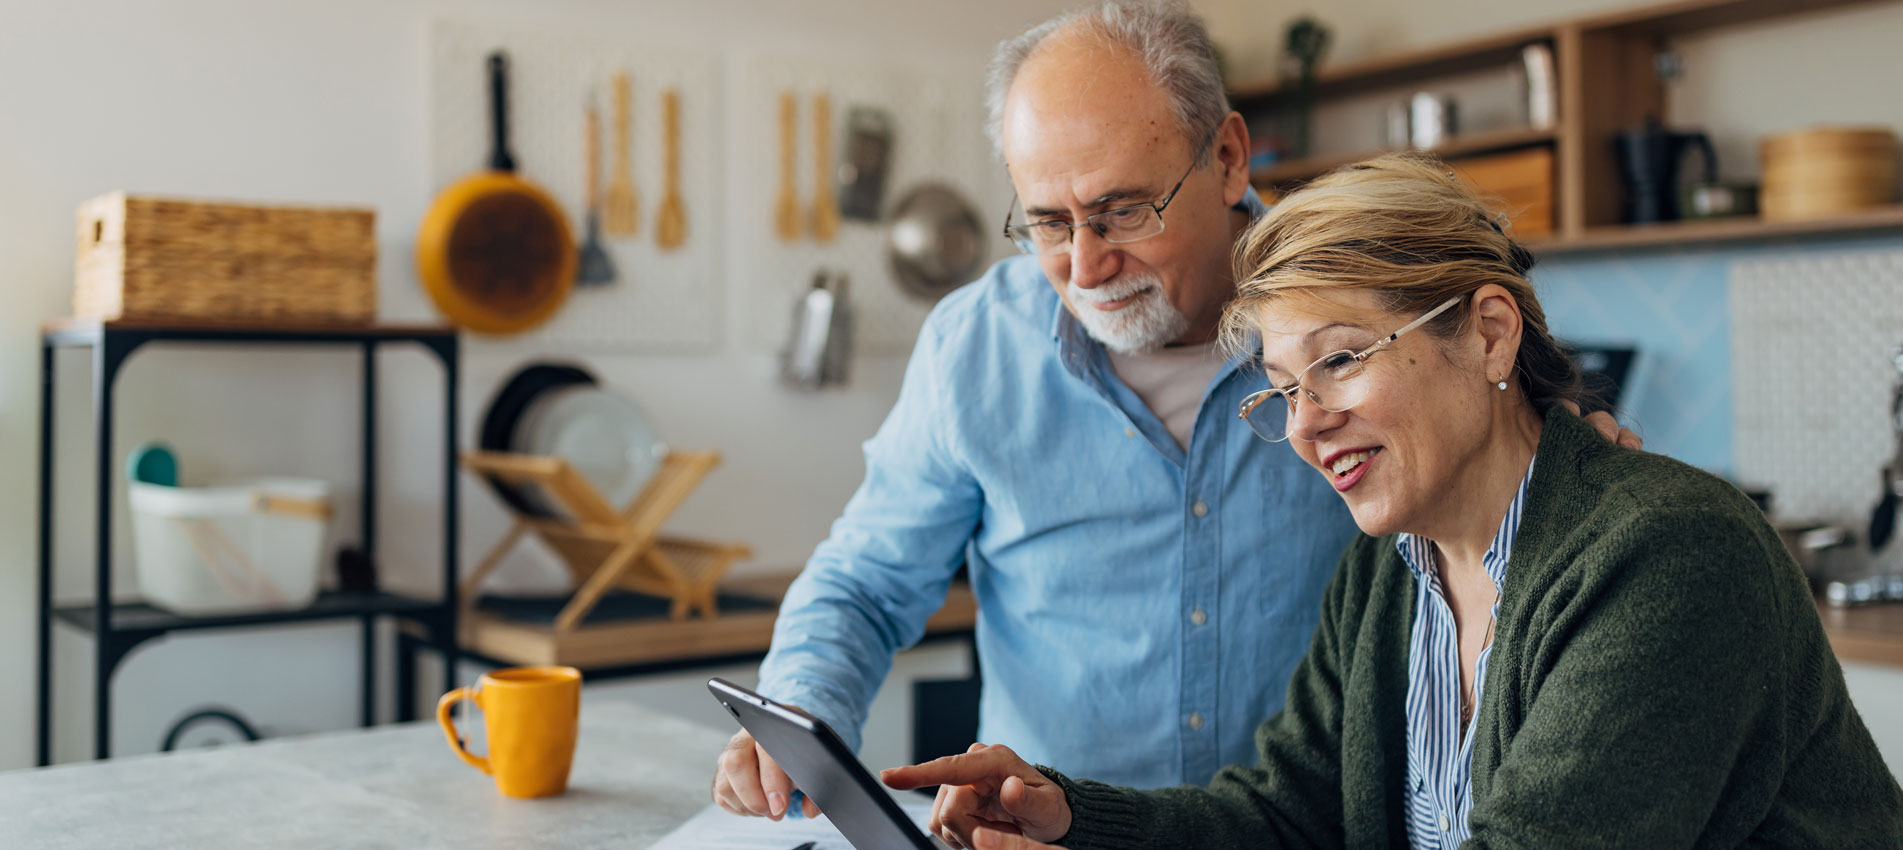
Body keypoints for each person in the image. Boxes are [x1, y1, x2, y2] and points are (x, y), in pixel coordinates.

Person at [711, 1, 1633, 820]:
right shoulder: (974, 347)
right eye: (1045, 222)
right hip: (1047, 836)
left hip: (1301, 829)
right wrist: (801, 708)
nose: (1083, 263)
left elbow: (1503, 425)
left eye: (1119, 211)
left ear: (1227, 158)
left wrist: (1569, 472)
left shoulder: (1352, 312)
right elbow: (868, 580)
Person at [880, 152, 1903, 850]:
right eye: (1282, 388)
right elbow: (1286, 813)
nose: (1307, 420)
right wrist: (1070, 816)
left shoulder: (1666, 558)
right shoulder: (1386, 569)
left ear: (1490, 335)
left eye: (1339, 360)